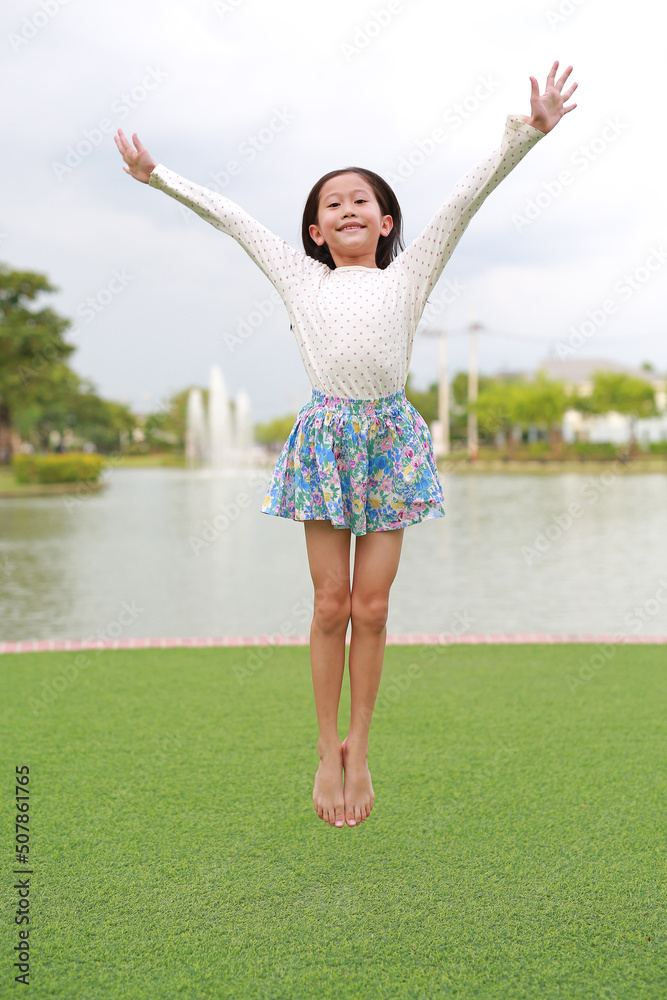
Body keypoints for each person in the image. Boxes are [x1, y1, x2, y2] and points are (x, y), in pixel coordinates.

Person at [114, 61, 577, 830]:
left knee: (373, 606)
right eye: (332, 204)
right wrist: (157, 176)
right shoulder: (301, 278)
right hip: (326, 441)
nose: (347, 209)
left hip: (390, 441)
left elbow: (466, 198)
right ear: (315, 231)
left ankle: (359, 748)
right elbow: (234, 219)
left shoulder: (409, 274)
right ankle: (323, 748)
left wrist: (527, 132)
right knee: (330, 604)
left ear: (385, 222)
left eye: (361, 200)